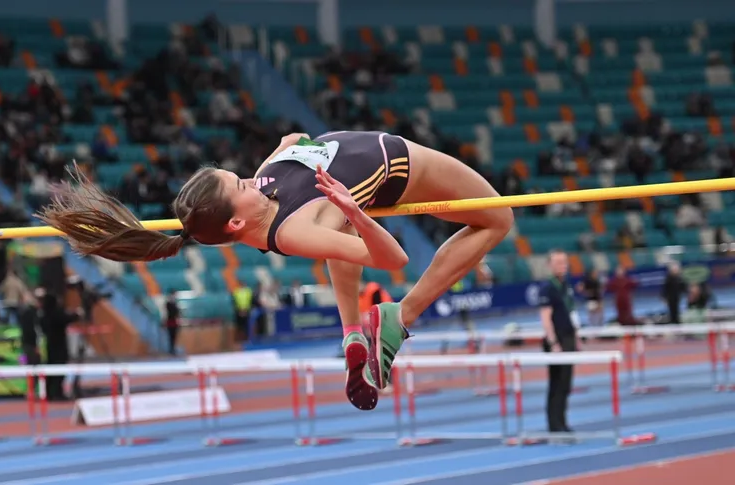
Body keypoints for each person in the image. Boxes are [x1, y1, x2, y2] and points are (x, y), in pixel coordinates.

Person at [37, 130, 513, 411]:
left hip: (348, 172)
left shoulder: (261, 196)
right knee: (497, 217)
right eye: (242, 183)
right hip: (394, 162)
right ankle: (400, 317)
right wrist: (357, 210)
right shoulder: (290, 230)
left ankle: (351, 332)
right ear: (237, 222)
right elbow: (393, 260)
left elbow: (289, 142)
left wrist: (296, 148)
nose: (253, 178)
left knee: (339, 230)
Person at [539, 250, 580, 438]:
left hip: (568, 337)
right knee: (556, 383)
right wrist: (553, 341)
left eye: (564, 262)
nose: (562, 265)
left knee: (566, 384)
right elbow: (546, 317)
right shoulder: (548, 287)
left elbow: (571, 313)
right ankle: (554, 425)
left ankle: (562, 422)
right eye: (557, 262)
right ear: (550, 265)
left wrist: (576, 338)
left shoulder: (566, 285)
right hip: (557, 340)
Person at [165, 289, 181, 355]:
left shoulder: (175, 303)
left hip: (174, 321)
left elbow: (178, 313)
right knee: (171, 336)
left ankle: (173, 349)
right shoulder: (168, 303)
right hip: (170, 321)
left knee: (174, 336)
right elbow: (171, 312)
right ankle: (171, 349)